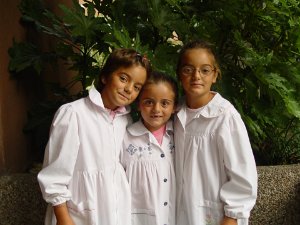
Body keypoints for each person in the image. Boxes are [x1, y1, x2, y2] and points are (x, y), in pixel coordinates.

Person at [37, 48, 151, 225]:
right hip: (77, 214)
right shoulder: (74, 114)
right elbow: (55, 174)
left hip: (114, 212)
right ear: (105, 76)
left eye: (137, 87)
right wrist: (63, 218)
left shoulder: (125, 120)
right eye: (123, 78)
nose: (128, 89)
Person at [174, 40, 257, 225]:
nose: (196, 76)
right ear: (179, 74)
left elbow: (243, 173)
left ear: (215, 75)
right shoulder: (174, 113)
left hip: (214, 215)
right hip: (179, 213)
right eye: (188, 69)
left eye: (205, 70)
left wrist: (233, 215)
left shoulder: (224, 117)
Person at [121, 71, 178, 225]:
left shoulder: (180, 137)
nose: (156, 109)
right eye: (149, 102)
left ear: (174, 107)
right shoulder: (126, 139)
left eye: (165, 103)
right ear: (139, 104)